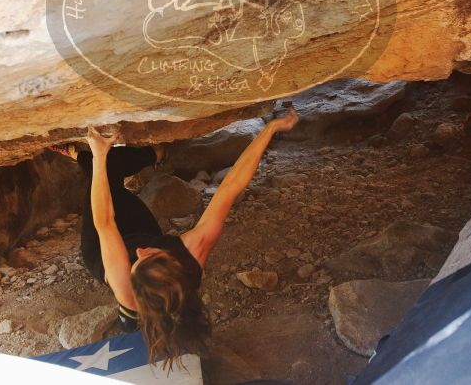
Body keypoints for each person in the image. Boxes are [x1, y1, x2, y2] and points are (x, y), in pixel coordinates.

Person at [50, 107, 298, 370]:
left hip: (102, 248)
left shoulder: (125, 286)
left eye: (139, 262)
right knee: (111, 179)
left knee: (103, 174)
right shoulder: (193, 253)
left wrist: (99, 155)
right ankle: (130, 155)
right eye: (155, 254)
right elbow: (230, 188)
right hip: (140, 230)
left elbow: (104, 222)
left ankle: (108, 157)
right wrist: (268, 130)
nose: (143, 251)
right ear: (176, 259)